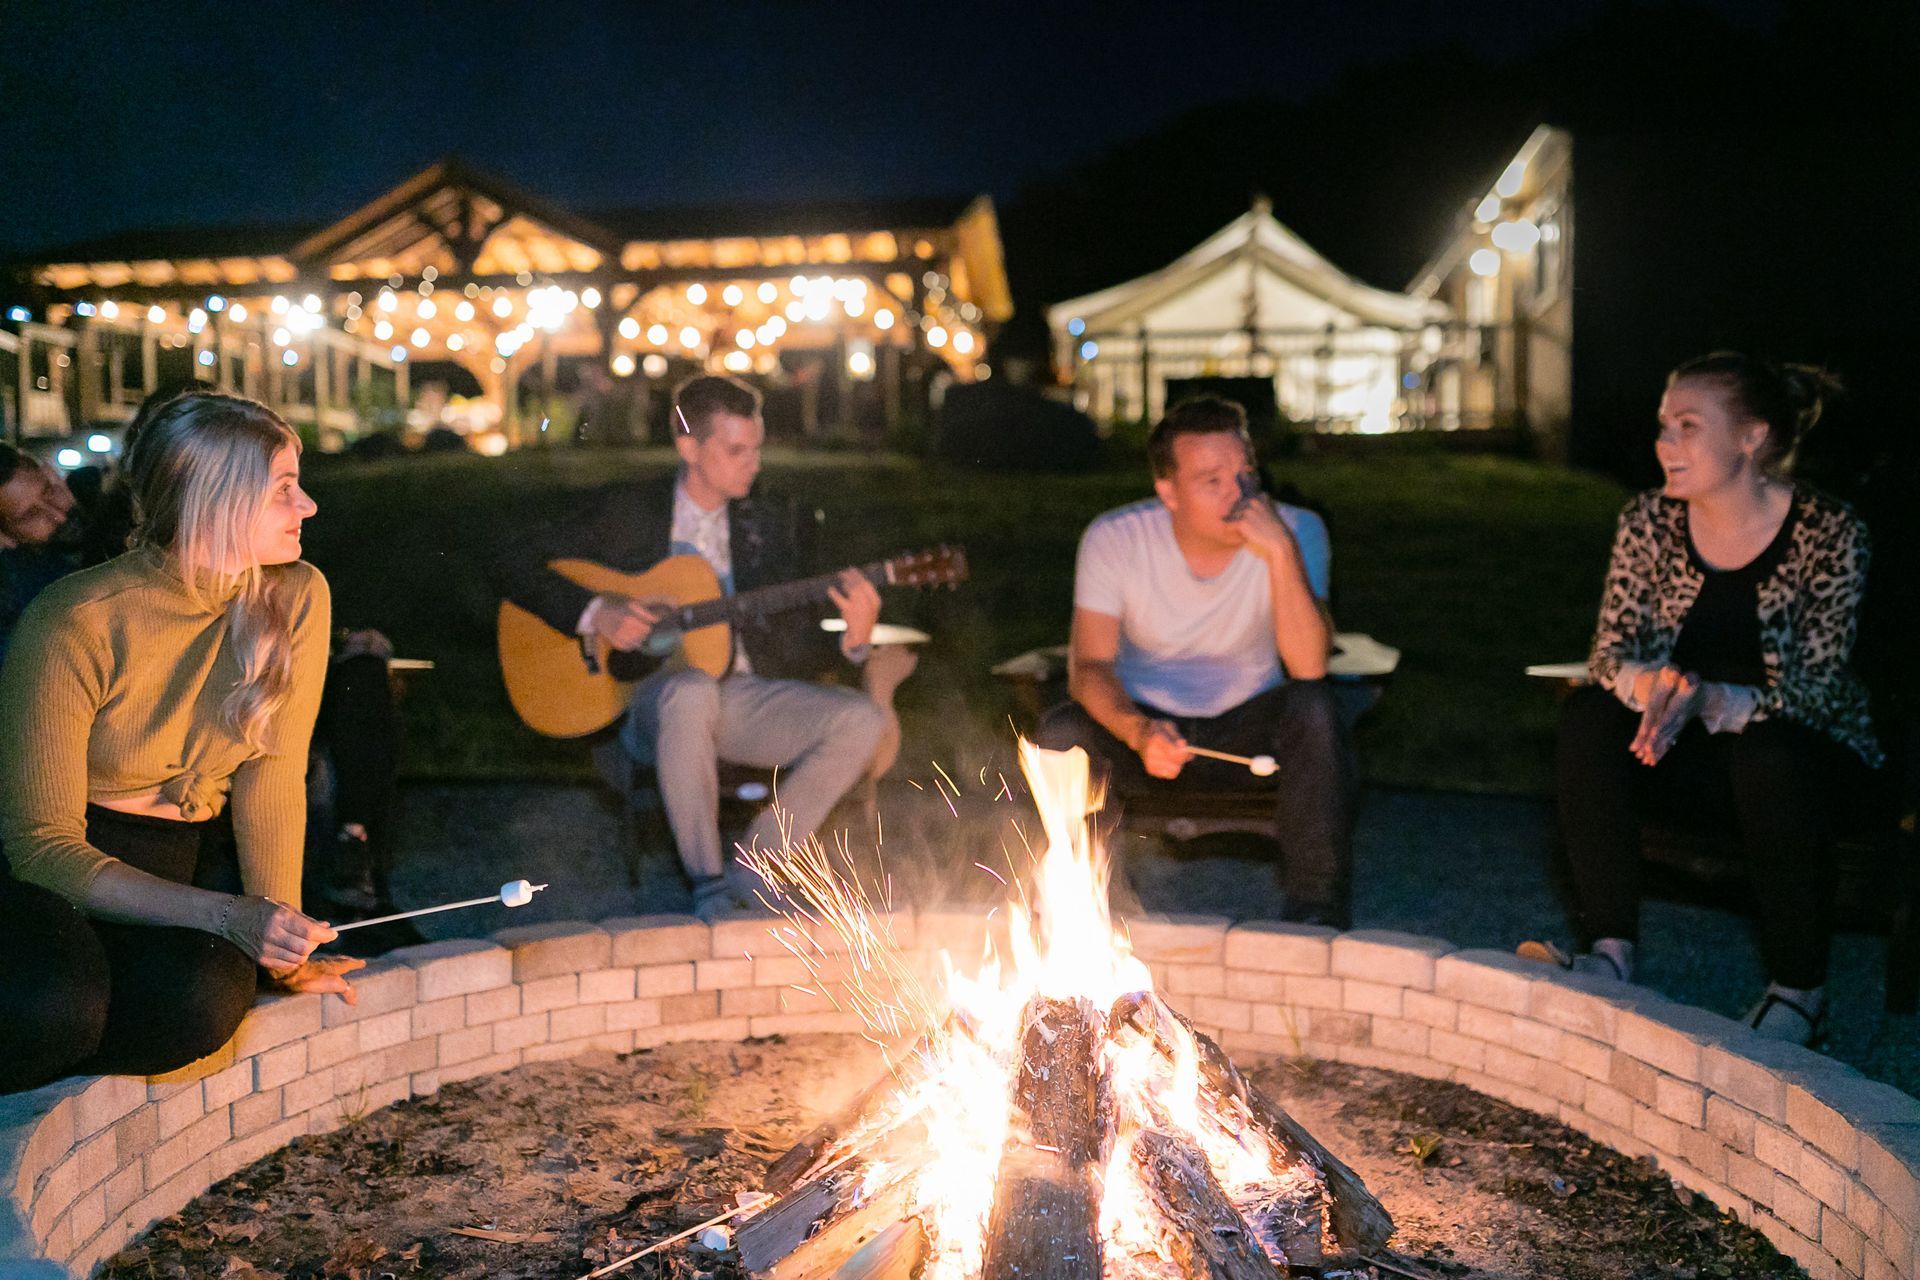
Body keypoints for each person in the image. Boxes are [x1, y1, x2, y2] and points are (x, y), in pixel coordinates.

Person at [0, 392, 360, 1093]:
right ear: (216, 499)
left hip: (169, 863)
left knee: (203, 1002)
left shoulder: (298, 594)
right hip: (49, 879)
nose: (308, 506)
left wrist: (280, 945)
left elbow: (272, 779)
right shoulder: (76, 619)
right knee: (53, 1003)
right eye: (284, 488)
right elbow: (43, 848)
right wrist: (230, 915)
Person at [1527, 353, 1880, 1045]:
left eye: (1688, 426)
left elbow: (1817, 684)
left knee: (1767, 755)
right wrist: (1651, 686)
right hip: (1681, 747)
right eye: (1664, 426)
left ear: (1750, 437)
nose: (1666, 444)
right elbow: (1609, 652)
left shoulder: (1831, 533)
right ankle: (1610, 955)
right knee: (1591, 717)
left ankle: (1799, 990)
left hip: (1806, 757)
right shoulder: (1648, 521)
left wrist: (1712, 698)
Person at [491, 375, 887, 918]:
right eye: (735, 450)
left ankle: (763, 861)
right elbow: (508, 558)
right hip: (646, 702)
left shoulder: (768, 525)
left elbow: (797, 642)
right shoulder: (629, 511)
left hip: (741, 698)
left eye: (757, 448)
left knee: (864, 720)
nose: (754, 463)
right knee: (691, 690)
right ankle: (708, 883)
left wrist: (856, 637)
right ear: (689, 447)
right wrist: (597, 613)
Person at [1036, 396, 1355, 927]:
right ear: (1168, 491)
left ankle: (1315, 919)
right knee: (1063, 731)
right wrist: (1138, 731)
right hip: (1144, 728)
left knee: (1317, 709)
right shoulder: (1116, 538)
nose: (1239, 494)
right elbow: (1089, 667)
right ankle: (1084, 920)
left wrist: (1279, 553)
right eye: (1212, 480)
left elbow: (1309, 666)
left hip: (1250, 728)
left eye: (1245, 473)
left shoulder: (1296, 531)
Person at [0, 445, 81, 660]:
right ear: (4, 538)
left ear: (50, 472)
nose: (59, 516)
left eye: (49, 491)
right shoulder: (28, 608)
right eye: (30, 515)